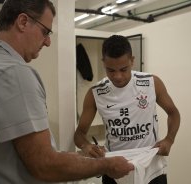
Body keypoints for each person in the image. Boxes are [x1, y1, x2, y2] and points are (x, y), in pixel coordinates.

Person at [0, 1, 134, 183]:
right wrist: (107, 165)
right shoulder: (12, 72)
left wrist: (79, 157)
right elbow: (44, 164)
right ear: (23, 22)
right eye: (45, 32)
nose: (48, 42)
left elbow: (23, 154)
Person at [74, 35, 180, 184]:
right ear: (103, 63)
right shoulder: (95, 93)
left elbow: (173, 113)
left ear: (132, 60)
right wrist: (86, 146)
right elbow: (79, 134)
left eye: (124, 69)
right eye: (110, 70)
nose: (118, 76)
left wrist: (169, 140)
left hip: (150, 163)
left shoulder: (151, 83)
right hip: (114, 165)